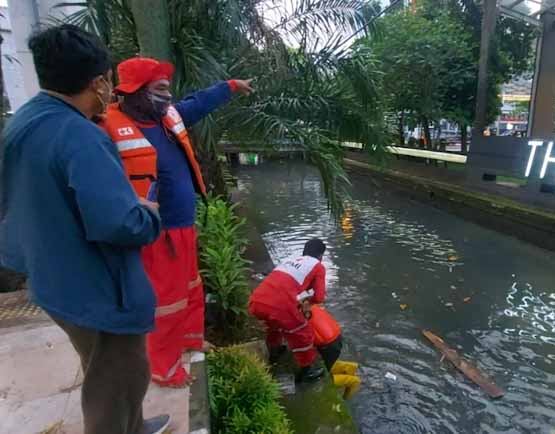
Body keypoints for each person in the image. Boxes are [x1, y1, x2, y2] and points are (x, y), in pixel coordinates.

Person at [0, 25, 169, 434]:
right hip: (95, 288)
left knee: (98, 365)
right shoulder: (81, 137)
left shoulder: (23, 122)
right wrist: (148, 212)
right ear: (98, 82)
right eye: (109, 80)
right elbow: (118, 223)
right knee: (116, 379)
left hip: (52, 276)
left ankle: (137, 425)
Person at [97, 57, 254, 387]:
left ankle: (190, 341)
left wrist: (229, 87)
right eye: (160, 90)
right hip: (156, 232)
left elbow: (198, 103)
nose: (167, 97)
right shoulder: (106, 128)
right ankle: (164, 369)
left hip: (184, 226)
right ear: (135, 92)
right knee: (166, 303)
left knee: (191, 290)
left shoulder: (168, 117)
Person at [249, 239, 328, 382]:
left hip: (257, 301)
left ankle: (275, 351)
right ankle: (306, 372)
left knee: (274, 324)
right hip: (279, 306)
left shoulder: (289, 261)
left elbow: (284, 284)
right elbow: (320, 297)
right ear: (321, 256)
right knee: (303, 333)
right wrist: (308, 301)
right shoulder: (318, 267)